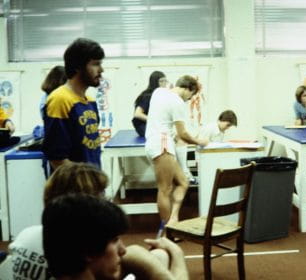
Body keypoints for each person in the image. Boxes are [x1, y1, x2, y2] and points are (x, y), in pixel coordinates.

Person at [0, 162, 188, 280]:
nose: (105, 201)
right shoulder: (79, 247)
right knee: (159, 257)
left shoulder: (29, 235)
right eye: (100, 195)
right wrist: (176, 255)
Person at [145, 75, 208, 235]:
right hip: (162, 144)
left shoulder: (159, 92)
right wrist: (200, 141)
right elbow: (183, 135)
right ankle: (167, 232)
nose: (190, 99)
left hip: (155, 142)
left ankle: (173, 220)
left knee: (183, 182)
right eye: (191, 95)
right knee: (165, 189)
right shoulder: (178, 102)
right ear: (188, 89)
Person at [42, 38, 104, 169]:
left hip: (92, 184)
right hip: (72, 187)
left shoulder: (90, 100)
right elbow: (57, 159)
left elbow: (90, 149)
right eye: (95, 64)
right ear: (78, 67)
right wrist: (87, 179)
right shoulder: (60, 100)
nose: (101, 69)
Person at [132, 71, 168, 137]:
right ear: (154, 82)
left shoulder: (161, 95)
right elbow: (137, 114)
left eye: (165, 81)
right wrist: (154, 121)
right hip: (142, 125)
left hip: (151, 124)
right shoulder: (148, 96)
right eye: (161, 81)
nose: (164, 83)